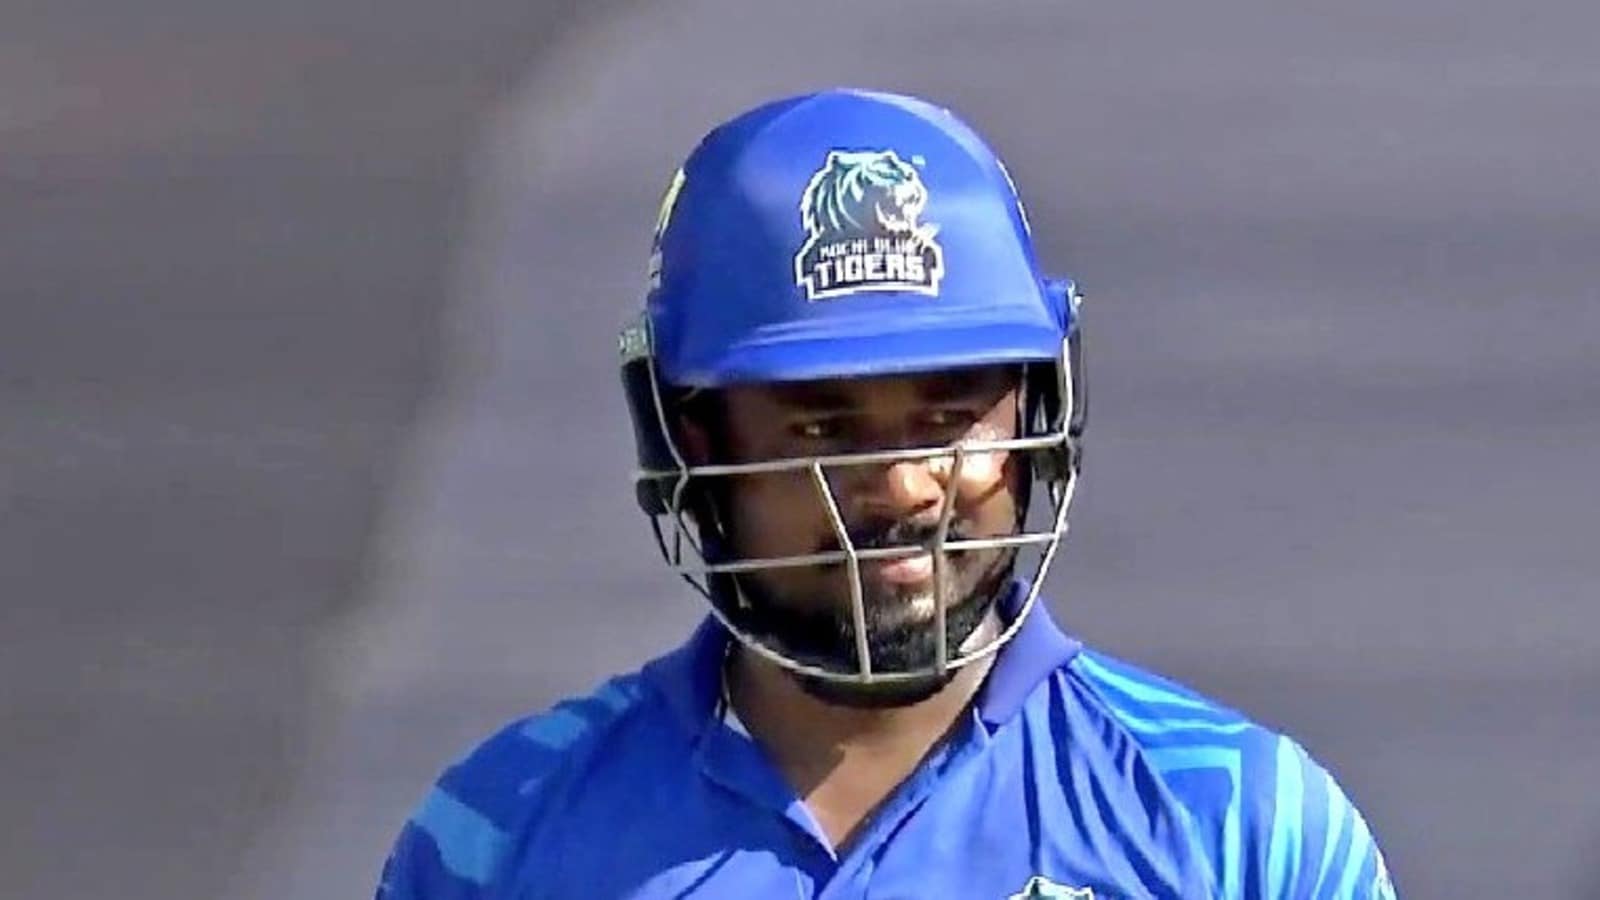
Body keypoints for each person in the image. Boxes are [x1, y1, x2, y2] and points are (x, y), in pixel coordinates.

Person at [376, 88, 1397, 899]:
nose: (904, 488)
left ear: (1036, 412)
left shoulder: (1237, 823)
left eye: (949, 416)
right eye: (822, 430)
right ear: (692, 440)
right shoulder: (500, 834)